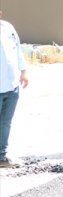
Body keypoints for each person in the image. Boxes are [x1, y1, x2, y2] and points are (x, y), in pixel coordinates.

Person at [0, 11, 28, 168]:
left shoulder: (8, 28)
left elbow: (18, 50)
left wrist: (23, 71)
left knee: (5, 123)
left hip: (12, 86)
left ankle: (1, 157)